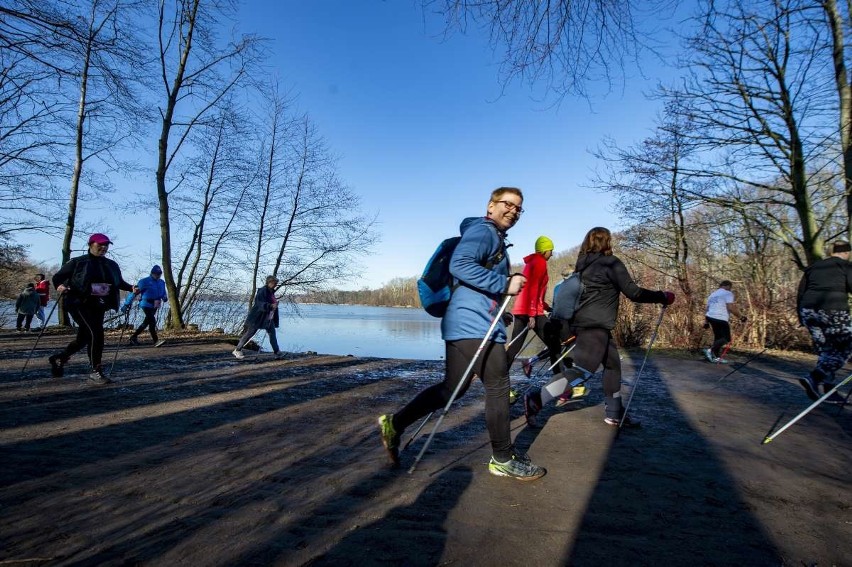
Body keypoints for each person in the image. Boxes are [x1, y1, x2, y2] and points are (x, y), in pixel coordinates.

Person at [377, 187, 546, 481]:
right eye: (508, 204)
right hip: (472, 324)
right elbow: (461, 265)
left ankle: (395, 423)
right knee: (497, 385)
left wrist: (499, 310)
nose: (513, 211)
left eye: (519, 208)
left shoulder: (489, 235)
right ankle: (503, 459)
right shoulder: (485, 231)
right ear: (491, 206)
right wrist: (504, 282)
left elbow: (470, 282)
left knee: (451, 388)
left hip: (467, 320)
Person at [523, 227, 675, 428]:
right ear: (607, 242)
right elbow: (634, 293)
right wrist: (662, 296)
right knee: (582, 371)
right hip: (595, 327)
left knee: (612, 366)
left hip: (585, 325)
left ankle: (614, 413)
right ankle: (537, 399)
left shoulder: (583, 266)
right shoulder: (611, 263)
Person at [48, 233, 134, 384]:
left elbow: (119, 282)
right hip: (79, 303)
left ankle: (59, 358)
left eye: (106, 245)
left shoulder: (111, 265)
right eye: (100, 244)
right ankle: (96, 371)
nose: (103, 247)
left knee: (84, 338)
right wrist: (60, 286)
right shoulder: (77, 262)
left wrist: (133, 288)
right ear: (90, 244)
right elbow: (57, 277)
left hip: (99, 305)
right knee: (96, 333)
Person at [796, 240, 852, 404]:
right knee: (844, 348)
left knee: (827, 352)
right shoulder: (845, 266)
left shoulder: (814, 267)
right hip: (833, 310)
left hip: (809, 311)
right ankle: (815, 378)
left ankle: (829, 391)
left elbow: (801, 292)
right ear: (847, 252)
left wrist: (801, 317)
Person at [505, 236, 562, 375]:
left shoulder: (532, 263)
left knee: (513, 348)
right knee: (555, 344)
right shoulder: (540, 262)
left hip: (523, 309)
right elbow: (533, 288)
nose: (552, 253)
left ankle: (498, 381)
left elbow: (535, 291)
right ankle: (560, 383)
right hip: (531, 312)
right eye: (550, 250)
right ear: (544, 250)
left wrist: (546, 306)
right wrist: (531, 315)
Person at [232, 275, 285, 360]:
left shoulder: (270, 292)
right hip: (257, 317)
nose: (276, 285)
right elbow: (259, 303)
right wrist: (271, 306)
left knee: (272, 334)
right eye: (275, 283)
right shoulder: (263, 291)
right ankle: (237, 350)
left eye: (276, 283)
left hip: (267, 318)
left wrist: (274, 306)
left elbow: (271, 304)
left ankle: (277, 352)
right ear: (269, 282)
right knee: (250, 333)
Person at [122, 264, 168, 347]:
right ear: (152, 273)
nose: (158, 276)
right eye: (156, 274)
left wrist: (164, 297)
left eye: (159, 274)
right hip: (145, 304)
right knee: (152, 321)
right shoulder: (144, 282)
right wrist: (126, 304)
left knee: (146, 322)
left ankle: (133, 337)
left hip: (155, 305)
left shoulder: (161, 282)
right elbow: (134, 292)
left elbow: (163, 292)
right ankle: (156, 341)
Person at [703, 280, 746, 364]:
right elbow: (730, 307)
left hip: (710, 317)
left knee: (718, 337)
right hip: (720, 317)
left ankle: (715, 357)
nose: (730, 289)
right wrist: (741, 317)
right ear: (727, 286)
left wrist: (706, 322)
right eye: (730, 287)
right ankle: (710, 350)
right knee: (726, 339)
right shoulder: (727, 293)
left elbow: (707, 308)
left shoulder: (712, 295)